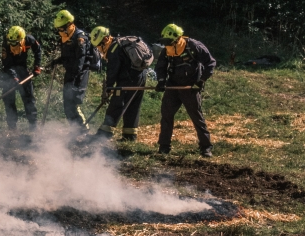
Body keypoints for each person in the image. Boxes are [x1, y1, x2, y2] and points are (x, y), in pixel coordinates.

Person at [154, 23, 217, 156]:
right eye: (165, 42)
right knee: (166, 115)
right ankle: (164, 146)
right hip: (172, 85)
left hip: (191, 87)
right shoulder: (167, 49)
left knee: (196, 116)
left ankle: (206, 147)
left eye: (168, 42)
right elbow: (161, 66)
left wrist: (201, 81)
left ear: (177, 39)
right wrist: (161, 81)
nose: (166, 45)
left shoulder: (194, 46)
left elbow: (210, 62)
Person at [91, 26, 151, 142]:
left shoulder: (114, 49)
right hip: (140, 77)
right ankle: (129, 136)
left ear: (105, 40)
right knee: (133, 106)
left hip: (128, 80)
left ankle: (104, 134)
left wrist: (108, 87)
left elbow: (112, 71)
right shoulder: (121, 43)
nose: (99, 49)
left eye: (99, 45)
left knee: (116, 105)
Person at [48, 9, 95, 129]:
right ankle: (75, 130)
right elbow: (66, 56)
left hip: (80, 73)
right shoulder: (65, 36)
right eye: (58, 28)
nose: (59, 31)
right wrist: (56, 61)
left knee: (74, 101)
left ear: (69, 24)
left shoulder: (80, 37)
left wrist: (75, 75)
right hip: (70, 72)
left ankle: (82, 128)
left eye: (61, 28)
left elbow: (81, 58)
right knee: (67, 102)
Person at [0, 26, 43, 131]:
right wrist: (14, 79)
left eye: (16, 43)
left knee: (29, 98)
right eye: (12, 43)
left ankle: (33, 125)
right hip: (9, 73)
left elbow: (38, 50)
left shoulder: (29, 40)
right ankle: (12, 127)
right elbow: (7, 64)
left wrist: (37, 66)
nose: (13, 45)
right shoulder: (6, 44)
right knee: (9, 100)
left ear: (22, 40)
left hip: (23, 70)